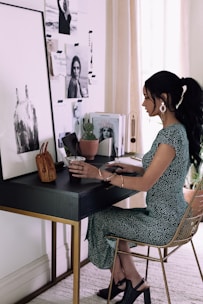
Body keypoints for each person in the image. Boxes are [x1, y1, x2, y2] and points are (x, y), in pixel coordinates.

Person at [68, 71, 203, 304]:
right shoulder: (177, 130)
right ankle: (128, 281)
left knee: (100, 218)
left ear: (162, 99)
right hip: (174, 217)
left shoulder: (170, 136)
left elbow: (145, 185)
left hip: (164, 225)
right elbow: (163, 173)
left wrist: (99, 173)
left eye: (147, 97)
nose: (143, 103)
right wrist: (136, 169)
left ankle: (127, 280)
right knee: (116, 220)